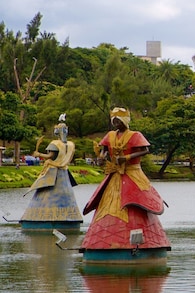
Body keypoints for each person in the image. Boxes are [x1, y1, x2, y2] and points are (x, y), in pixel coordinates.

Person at [81, 107, 169, 252]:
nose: (116, 124)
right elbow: (104, 149)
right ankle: (103, 241)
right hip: (115, 175)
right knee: (108, 202)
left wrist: (127, 158)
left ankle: (144, 242)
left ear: (125, 121)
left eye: (118, 121)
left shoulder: (134, 135)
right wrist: (102, 157)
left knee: (136, 200)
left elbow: (145, 150)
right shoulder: (110, 136)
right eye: (114, 121)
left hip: (132, 173)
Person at [19, 114, 83, 229]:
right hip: (64, 175)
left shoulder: (56, 144)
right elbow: (69, 158)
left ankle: (43, 218)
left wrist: (39, 154)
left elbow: (50, 156)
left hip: (54, 173)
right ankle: (69, 218)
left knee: (47, 195)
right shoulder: (71, 145)